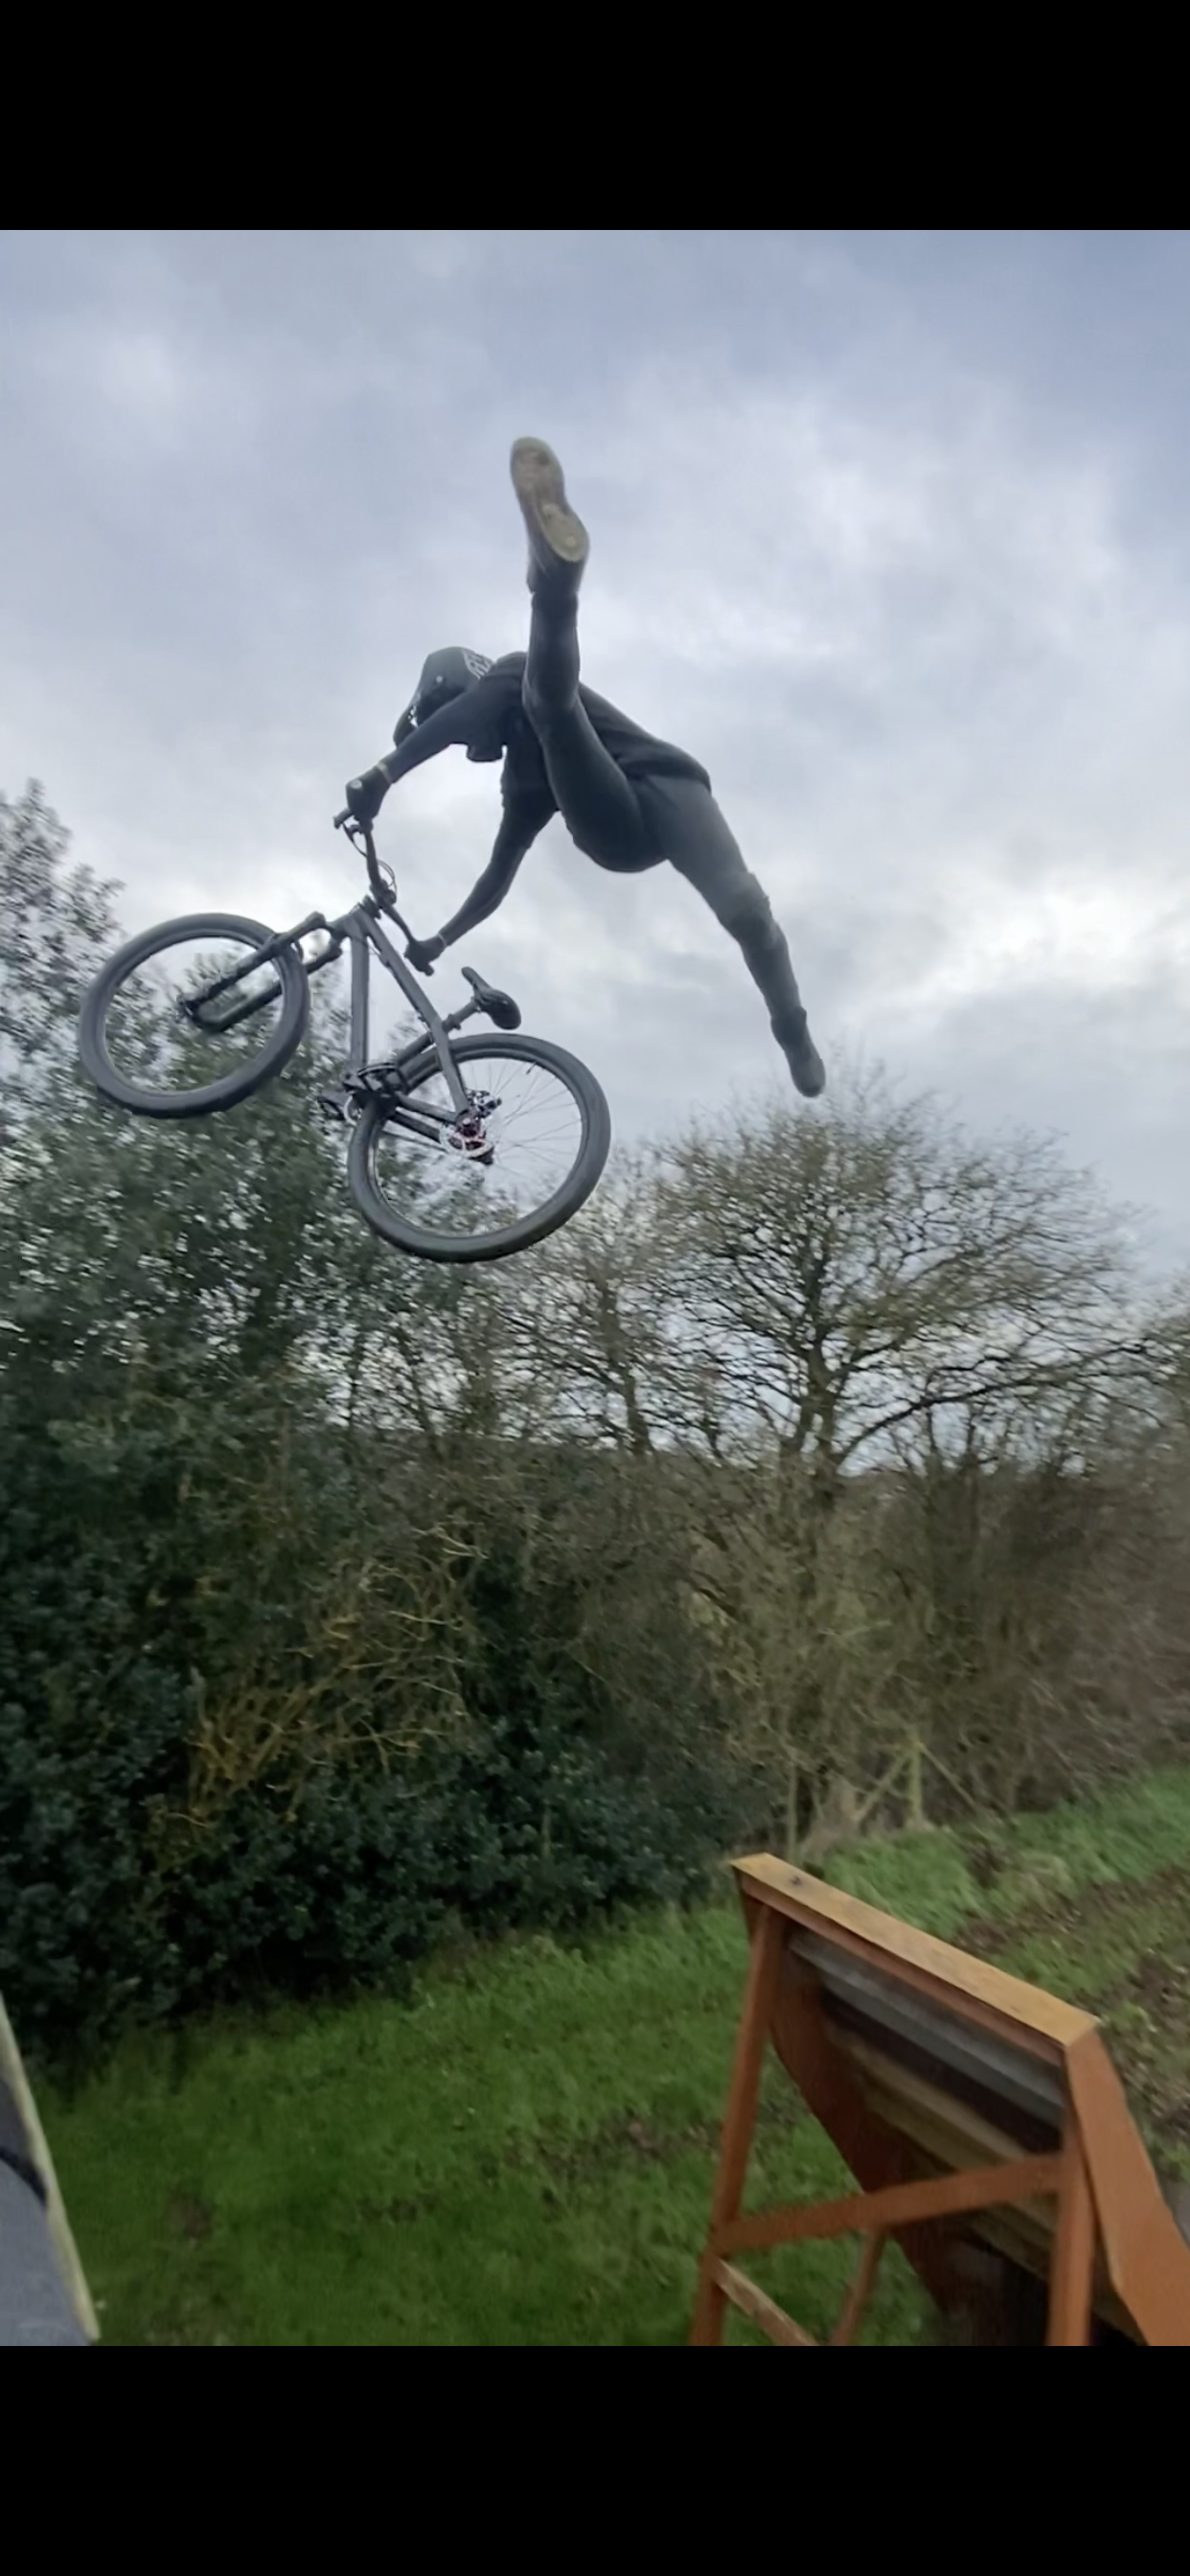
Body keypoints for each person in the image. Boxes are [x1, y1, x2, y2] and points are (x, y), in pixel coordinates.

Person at [345, 440, 825, 1097]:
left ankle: (792, 1028)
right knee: (546, 705)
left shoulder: (501, 681)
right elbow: (498, 874)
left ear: (462, 695)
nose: (469, 745)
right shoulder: (524, 780)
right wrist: (442, 939)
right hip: (614, 830)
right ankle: (555, 581)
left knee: (745, 907)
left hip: (668, 786)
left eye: (462, 731)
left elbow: (462, 716)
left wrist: (384, 774)